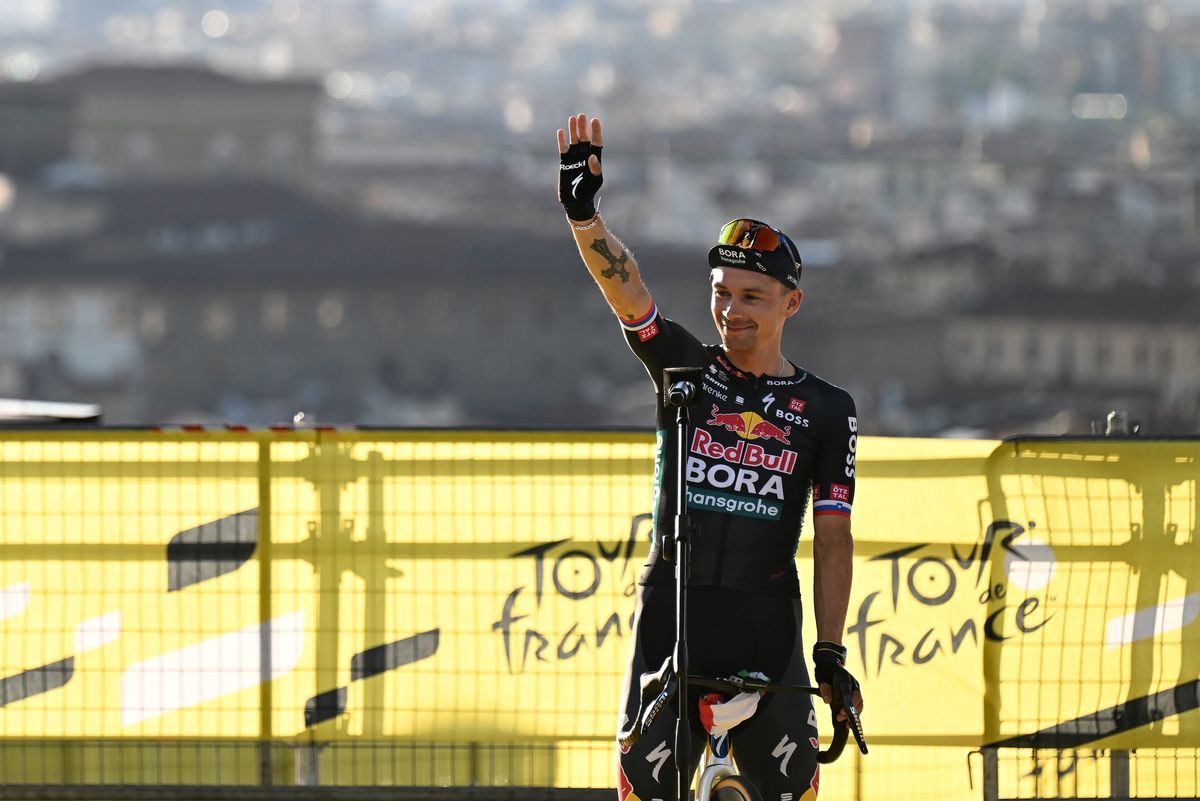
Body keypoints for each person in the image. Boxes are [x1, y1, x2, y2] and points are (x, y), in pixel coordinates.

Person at [557, 113, 864, 801]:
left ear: (792, 302)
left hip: (765, 619)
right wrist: (584, 215)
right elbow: (627, 289)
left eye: (752, 296)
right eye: (722, 294)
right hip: (674, 609)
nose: (732, 311)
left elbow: (834, 534)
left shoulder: (825, 407)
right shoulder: (686, 368)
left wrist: (831, 652)